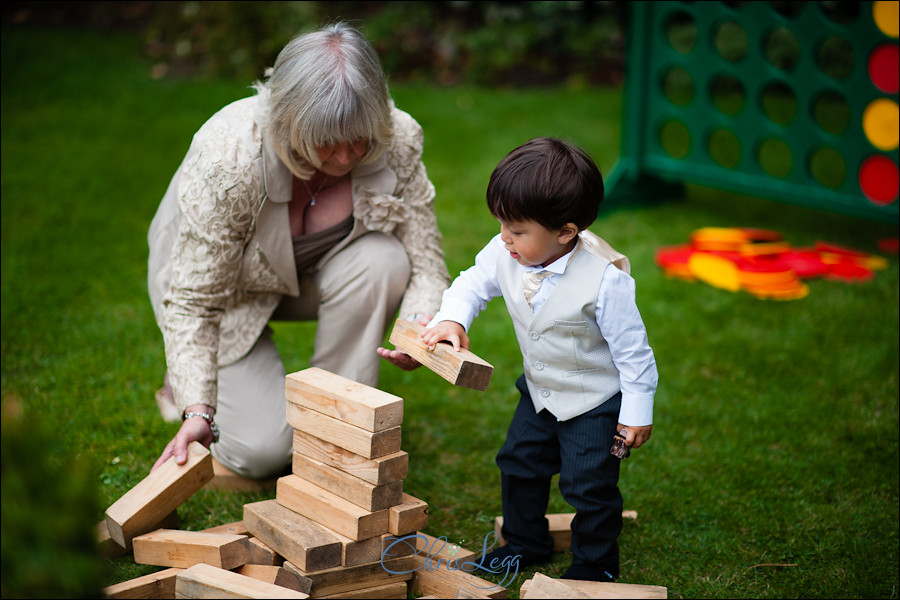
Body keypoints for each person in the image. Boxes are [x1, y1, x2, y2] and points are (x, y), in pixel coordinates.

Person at [147, 22, 450, 479]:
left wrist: (418, 328)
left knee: (384, 258)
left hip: (313, 272)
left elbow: (426, 262)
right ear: (287, 122)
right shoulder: (228, 157)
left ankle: (334, 421)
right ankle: (183, 384)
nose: (348, 157)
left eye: (360, 137)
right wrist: (198, 410)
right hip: (222, 290)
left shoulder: (398, 136)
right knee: (262, 453)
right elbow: (194, 302)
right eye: (328, 140)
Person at [421, 137, 658, 582]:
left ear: (565, 232)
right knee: (519, 463)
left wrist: (637, 411)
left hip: (593, 402)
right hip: (538, 393)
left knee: (587, 485)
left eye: (518, 230)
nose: (505, 239)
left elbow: (634, 353)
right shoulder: (504, 251)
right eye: (502, 225)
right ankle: (526, 542)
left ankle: (595, 564)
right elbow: (472, 283)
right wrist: (453, 319)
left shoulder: (606, 283)